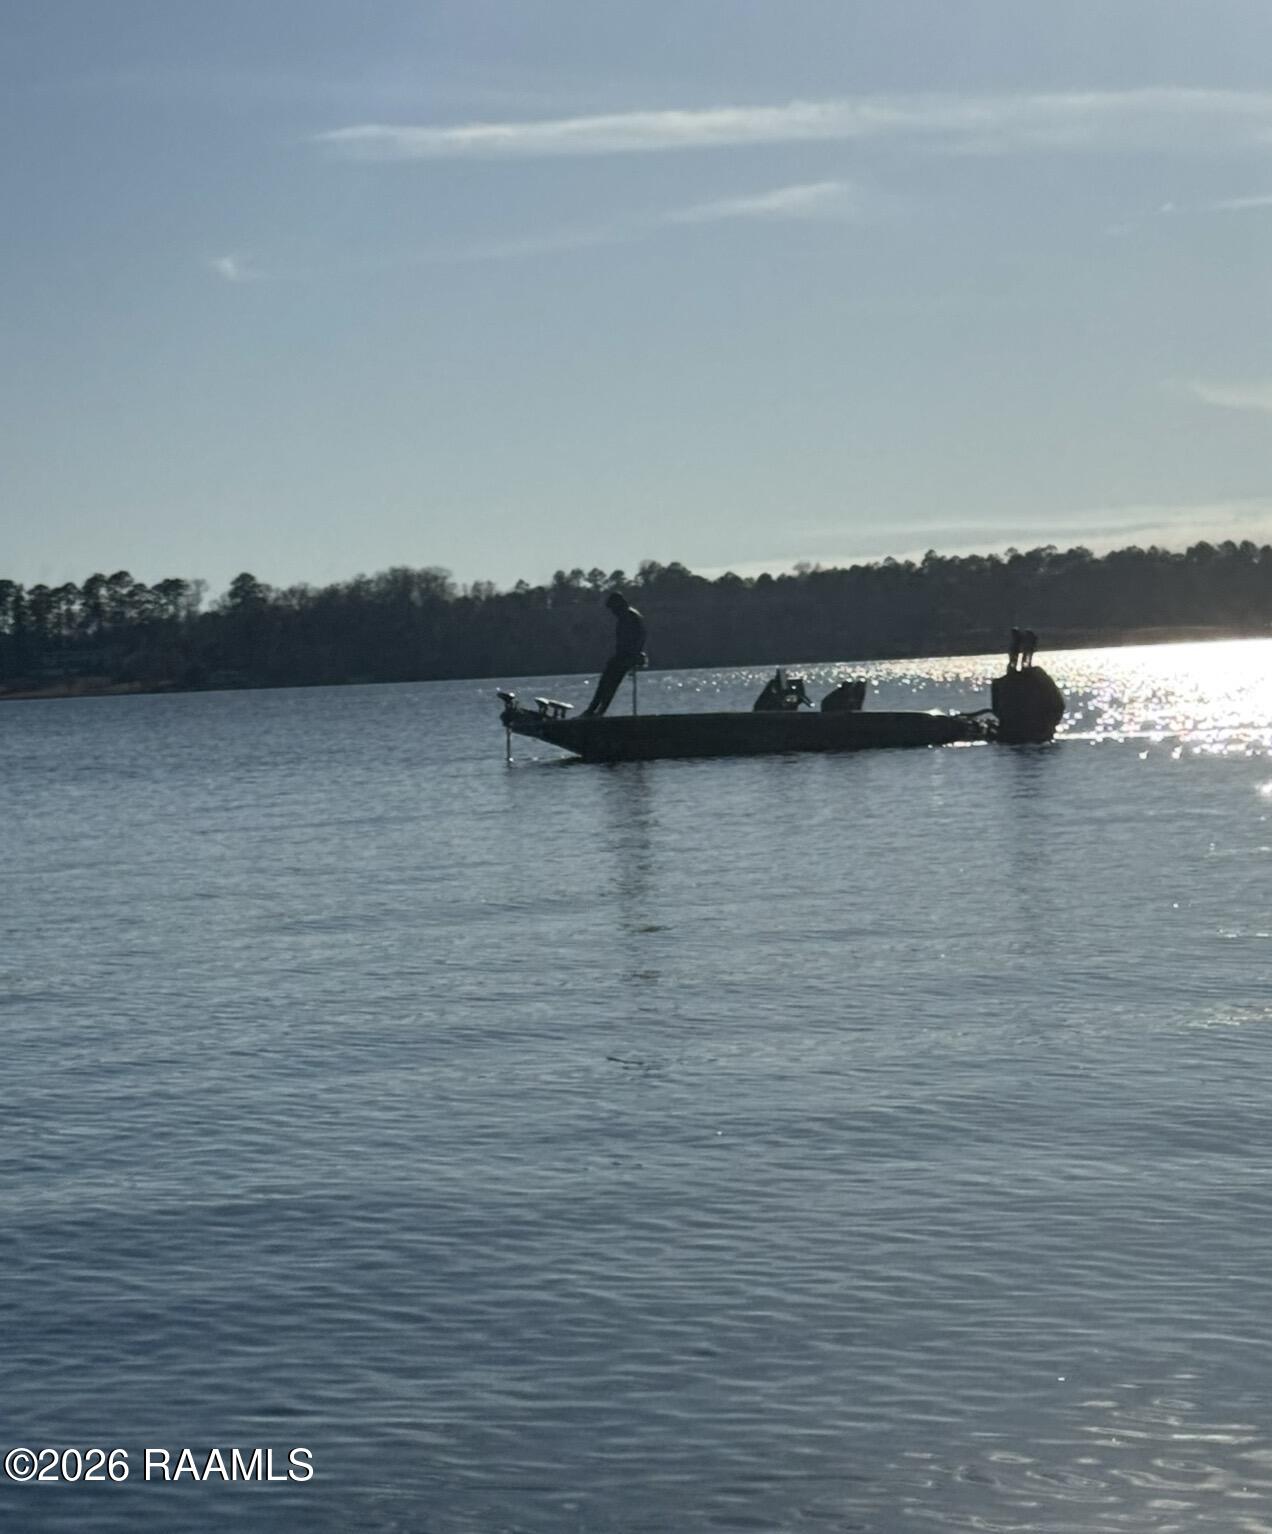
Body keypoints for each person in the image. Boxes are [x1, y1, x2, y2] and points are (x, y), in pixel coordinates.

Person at [582, 592, 647, 716]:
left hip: (627, 656)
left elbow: (639, 637)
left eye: (613, 609)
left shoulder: (629, 616)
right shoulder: (626, 616)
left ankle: (596, 711)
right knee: (606, 681)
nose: (613, 613)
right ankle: (594, 710)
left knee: (610, 682)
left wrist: (634, 656)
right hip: (623, 655)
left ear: (618, 606)